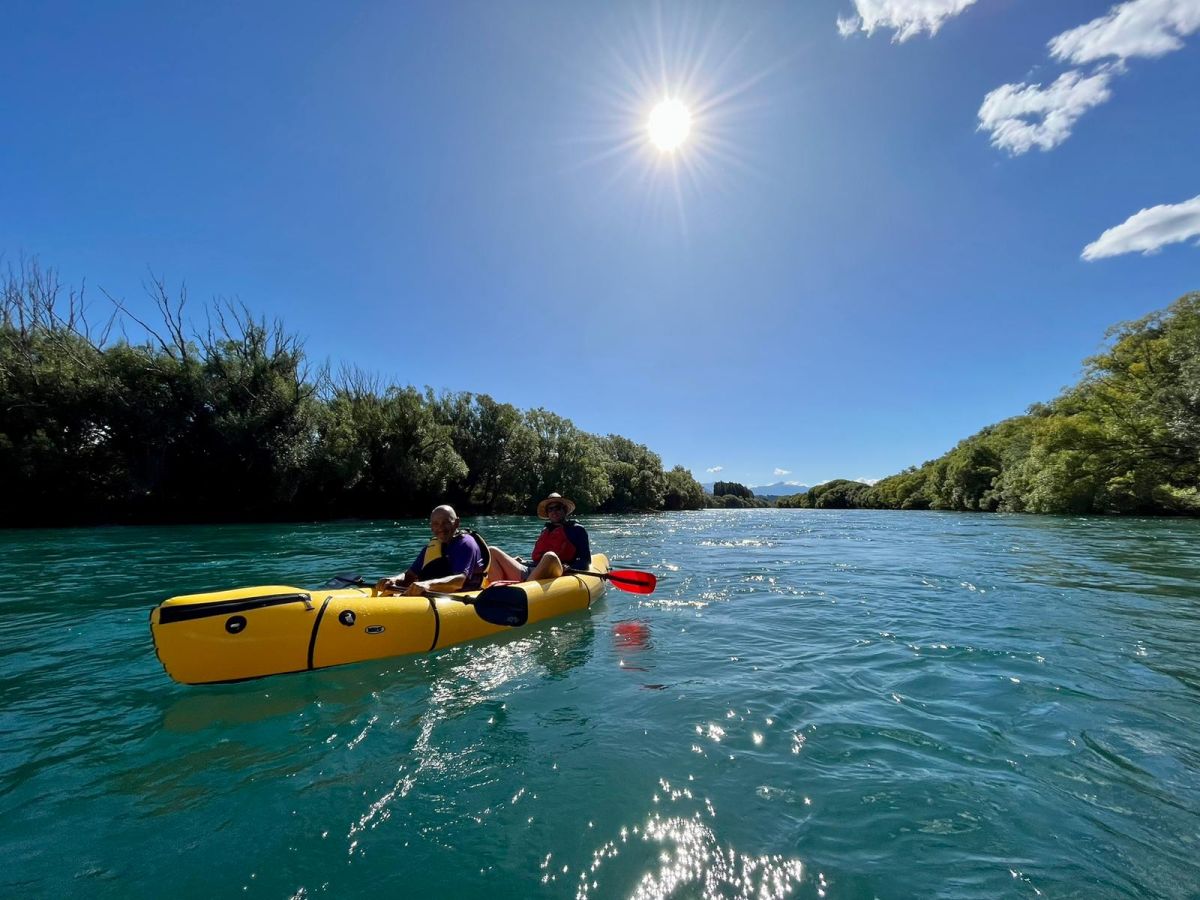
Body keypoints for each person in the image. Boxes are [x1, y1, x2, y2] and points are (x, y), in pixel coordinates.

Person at [376, 504, 488, 596]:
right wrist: (393, 579)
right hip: (432, 595)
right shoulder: (433, 546)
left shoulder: (466, 543)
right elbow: (410, 575)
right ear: (431, 527)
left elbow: (459, 581)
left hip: (460, 597)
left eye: (446, 522)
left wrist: (427, 584)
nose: (441, 528)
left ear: (456, 523)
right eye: (436, 524)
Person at [488, 492, 592, 583]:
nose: (554, 511)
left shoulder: (577, 529)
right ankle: (497, 591)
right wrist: (521, 561)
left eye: (558, 508)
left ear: (564, 510)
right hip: (532, 570)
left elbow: (585, 562)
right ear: (547, 513)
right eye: (550, 509)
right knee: (491, 550)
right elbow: (538, 560)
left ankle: (524, 589)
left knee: (550, 556)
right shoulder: (545, 530)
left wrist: (570, 567)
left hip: (556, 572)